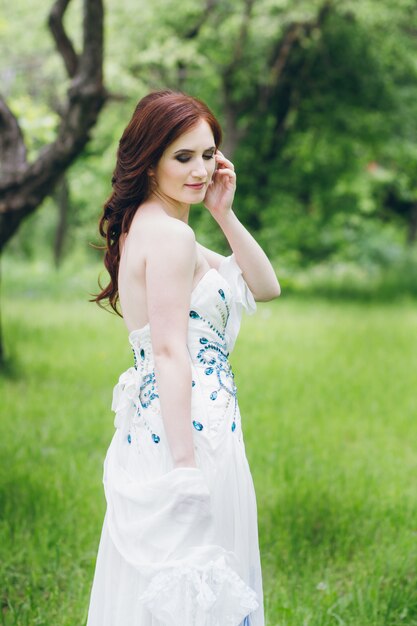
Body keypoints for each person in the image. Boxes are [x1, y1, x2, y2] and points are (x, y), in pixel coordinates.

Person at [86, 89, 281, 626]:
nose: (202, 169)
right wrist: (186, 470)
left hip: (176, 421)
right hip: (189, 431)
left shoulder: (154, 226)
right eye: (183, 156)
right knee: (192, 586)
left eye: (209, 153)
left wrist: (224, 213)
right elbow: (171, 350)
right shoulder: (170, 235)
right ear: (149, 160)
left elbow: (265, 286)